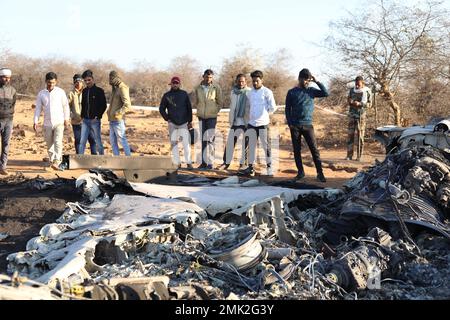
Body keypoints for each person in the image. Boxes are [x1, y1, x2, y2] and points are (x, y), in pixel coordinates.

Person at [285, 68, 328, 183]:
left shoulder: (312, 91)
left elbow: (325, 93)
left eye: (309, 80)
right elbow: (287, 109)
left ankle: (320, 173)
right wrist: (290, 124)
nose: (307, 82)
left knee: (314, 149)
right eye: (305, 80)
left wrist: (317, 81)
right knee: (297, 150)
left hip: (308, 125)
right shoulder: (292, 92)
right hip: (295, 126)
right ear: (300, 79)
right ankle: (300, 172)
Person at [239, 70, 276, 177]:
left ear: (262, 80)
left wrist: (265, 114)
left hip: (263, 124)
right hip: (252, 124)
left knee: (266, 146)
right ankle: (251, 168)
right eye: (253, 81)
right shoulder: (250, 93)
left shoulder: (267, 92)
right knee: (251, 147)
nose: (255, 83)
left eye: (257, 81)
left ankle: (269, 168)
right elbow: (249, 106)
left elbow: (273, 107)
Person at [33, 72, 70, 170]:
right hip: (47, 123)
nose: (51, 85)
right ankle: (52, 160)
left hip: (59, 122)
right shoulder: (41, 93)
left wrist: (66, 119)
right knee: (49, 143)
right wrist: (35, 121)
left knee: (58, 142)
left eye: (53, 82)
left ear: (56, 82)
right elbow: (38, 109)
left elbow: (65, 106)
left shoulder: (60, 92)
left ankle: (57, 161)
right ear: (46, 82)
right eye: (49, 82)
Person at [159, 76, 193, 169]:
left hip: (183, 123)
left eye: (177, 83)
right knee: (174, 144)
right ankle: (177, 163)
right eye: (173, 83)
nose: (175, 84)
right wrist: (167, 118)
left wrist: (190, 121)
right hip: (172, 123)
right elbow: (161, 108)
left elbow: (189, 108)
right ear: (171, 84)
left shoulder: (184, 94)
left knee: (186, 143)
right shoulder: (166, 95)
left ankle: (189, 162)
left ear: (179, 84)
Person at [192, 69, 223, 170]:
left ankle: (210, 163)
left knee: (210, 139)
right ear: (203, 76)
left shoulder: (216, 87)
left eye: (210, 77)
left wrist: (214, 111)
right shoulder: (198, 88)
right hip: (201, 116)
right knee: (203, 139)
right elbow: (196, 101)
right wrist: (199, 110)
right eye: (207, 77)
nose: (208, 79)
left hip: (211, 117)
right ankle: (204, 163)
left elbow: (220, 102)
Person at [218, 74, 250, 170]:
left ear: (246, 82)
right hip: (235, 121)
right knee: (230, 143)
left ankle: (243, 164)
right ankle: (226, 163)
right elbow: (232, 107)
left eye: (242, 81)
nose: (240, 83)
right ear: (236, 82)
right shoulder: (233, 92)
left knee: (246, 144)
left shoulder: (250, 92)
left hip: (246, 122)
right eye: (239, 81)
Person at [78, 69, 107, 155]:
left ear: (92, 79)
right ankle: (80, 159)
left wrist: (97, 116)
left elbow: (103, 105)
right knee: (82, 141)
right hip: (85, 121)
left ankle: (102, 159)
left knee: (97, 140)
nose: (87, 82)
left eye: (89, 80)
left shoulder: (99, 91)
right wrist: (82, 116)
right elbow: (83, 105)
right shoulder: (84, 91)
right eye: (85, 80)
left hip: (95, 120)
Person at [68, 74, 97, 154]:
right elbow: (67, 107)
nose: (78, 83)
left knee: (92, 140)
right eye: (76, 82)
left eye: (80, 81)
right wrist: (71, 116)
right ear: (74, 83)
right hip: (76, 122)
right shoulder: (71, 94)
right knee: (78, 141)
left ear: (82, 82)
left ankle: (94, 158)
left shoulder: (87, 92)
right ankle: (80, 159)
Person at [346, 76, 371, 161]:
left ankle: (359, 156)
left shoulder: (367, 91)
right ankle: (349, 155)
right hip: (352, 115)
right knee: (350, 135)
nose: (357, 86)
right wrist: (351, 102)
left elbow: (369, 104)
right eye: (356, 84)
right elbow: (348, 100)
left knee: (360, 136)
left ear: (362, 83)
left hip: (361, 116)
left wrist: (360, 104)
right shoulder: (352, 90)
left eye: (358, 84)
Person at [107, 71, 131, 156]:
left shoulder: (122, 88)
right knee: (113, 142)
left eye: (111, 78)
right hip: (112, 120)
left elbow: (127, 105)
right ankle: (117, 160)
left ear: (116, 78)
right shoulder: (115, 88)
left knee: (122, 140)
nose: (110, 80)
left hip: (118, 120)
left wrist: (118, 113)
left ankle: (129, 160)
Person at [0, 68, 17, 176]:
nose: (7, 79)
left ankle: (3, 167)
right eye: (5, 77)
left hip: (8, 120)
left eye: (8, 77)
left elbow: (13, 104)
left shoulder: (13, 90)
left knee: (6, 144)